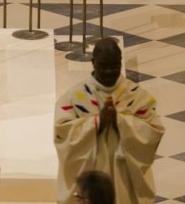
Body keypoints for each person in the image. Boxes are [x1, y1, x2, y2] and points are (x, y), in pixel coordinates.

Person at [54, 38, 164, 204]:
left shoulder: (137, 96)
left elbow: (154, 131)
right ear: (93, 62)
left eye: (114, 66)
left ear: (120, 63)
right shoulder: (74, 97)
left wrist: (120, 121)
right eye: (103, 66)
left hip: (124, 177)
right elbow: (62, 134)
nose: (109, 71)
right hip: (91, 170)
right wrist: (98, 123)